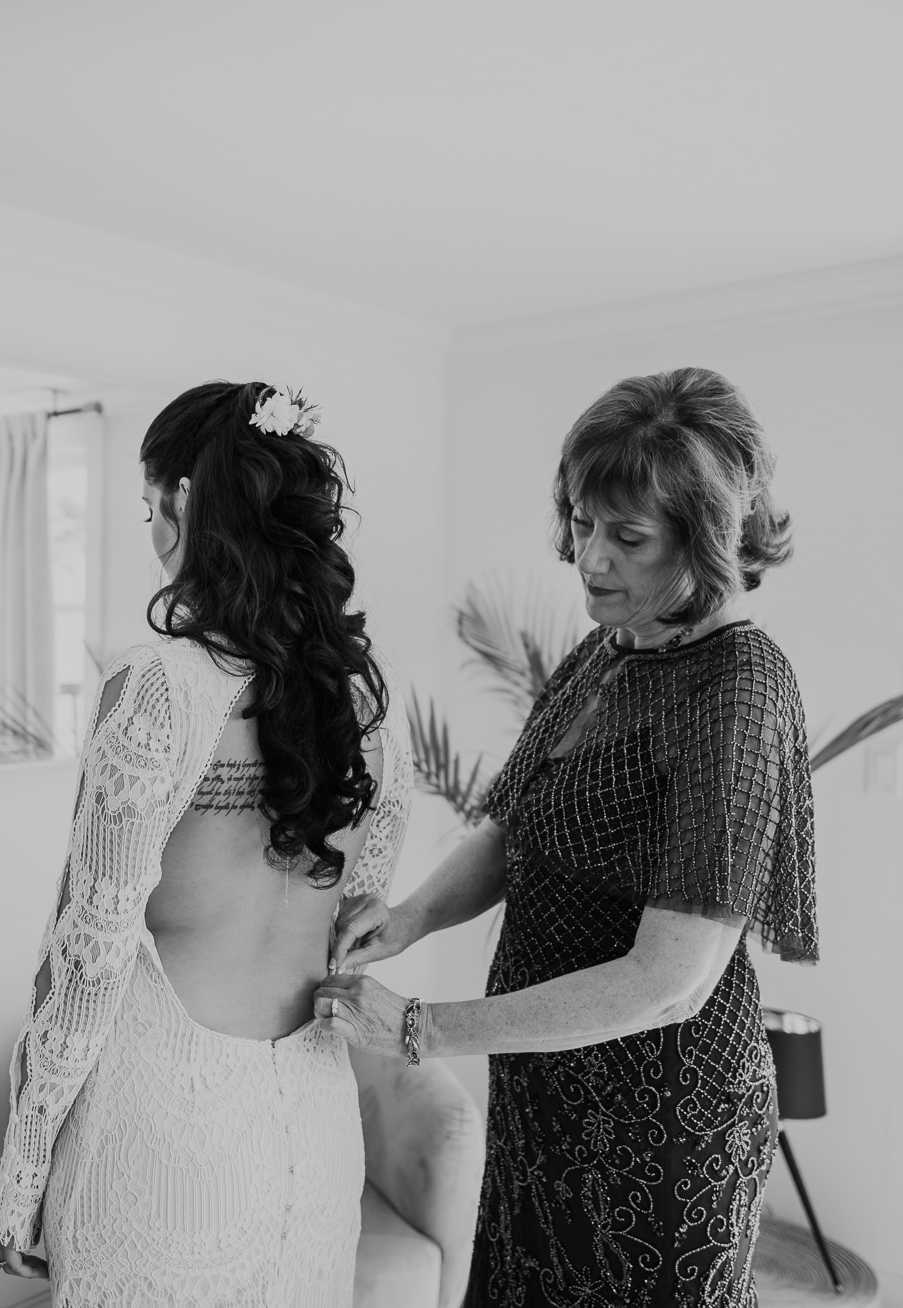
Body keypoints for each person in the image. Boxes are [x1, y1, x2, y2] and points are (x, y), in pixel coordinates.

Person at [321, 366, 817, 1307]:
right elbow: (519, 831)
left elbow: (670, 984)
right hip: (547, 1100)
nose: (590, 559)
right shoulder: (609, 647)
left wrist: (425, 1029)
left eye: (627, 537)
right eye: (583, 523)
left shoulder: (738, 690)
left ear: (707, 541)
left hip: (659, 1126)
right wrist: (411, 917)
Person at [0, 381, 412, 1306]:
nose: (153, 532)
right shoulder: (368, 701)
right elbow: (361, 915)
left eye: (151, 507)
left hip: (161, 1127)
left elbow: (89, 952)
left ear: (186, 503)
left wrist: (20, 1171)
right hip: (311, 1123)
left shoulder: (160, 687)